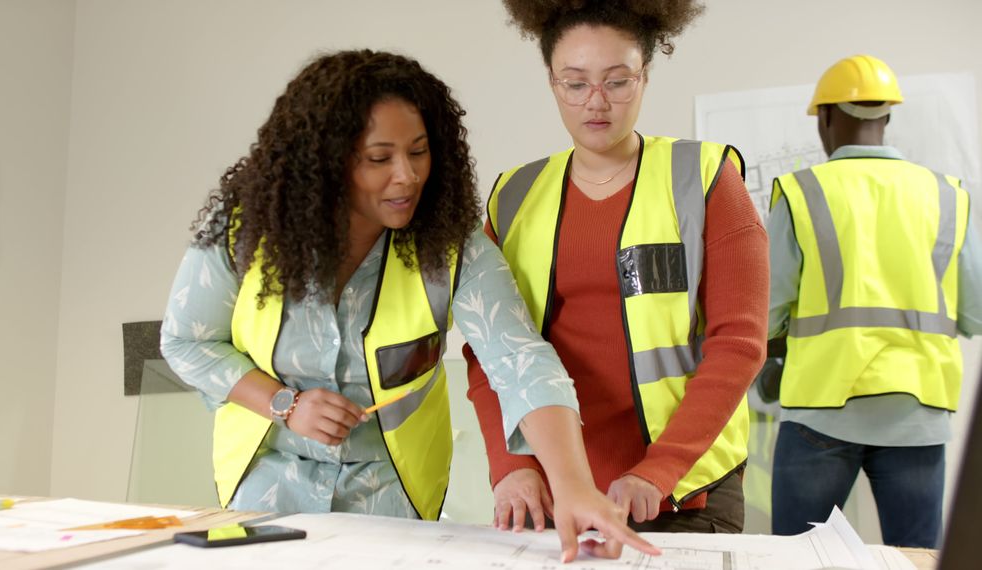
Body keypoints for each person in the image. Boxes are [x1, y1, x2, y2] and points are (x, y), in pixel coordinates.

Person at [159, 48, 659, 562]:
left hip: (394, 495)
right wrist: (282, 404)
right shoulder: (246, 231)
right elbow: (185, 342)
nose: (407, 176)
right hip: (266, 489)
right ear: (327, 162)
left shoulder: (449, 243)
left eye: (418, 152)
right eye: (379, 159)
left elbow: (519, 358)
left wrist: (572, 484)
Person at [466, 0, 768, 535]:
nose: (596, 102)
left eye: (617, 81)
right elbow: (487, 349)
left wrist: (659, 471)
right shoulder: (513, 196)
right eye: (575, 83)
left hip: (684, 492)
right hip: (560, 489)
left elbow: (738, 345)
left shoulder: (704, 179)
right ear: (552, 83)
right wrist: (510, 466)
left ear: (645, 75)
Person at [767, 54, 982, 548]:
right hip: (919, 413)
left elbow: (768, 311)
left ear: (824, 116)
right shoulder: (947, 195)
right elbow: (973, 311)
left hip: (820, 405)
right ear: (887, 116)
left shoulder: (803, 192)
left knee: (797, 561)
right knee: (915, 559)